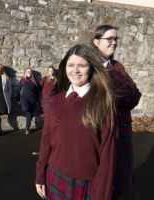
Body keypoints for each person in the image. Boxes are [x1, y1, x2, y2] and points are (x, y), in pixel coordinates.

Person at [35, 44, 118, 200]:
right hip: (53, 177)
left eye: (82, 65)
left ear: (91, 68)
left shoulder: (102, 103)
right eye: (71, 65)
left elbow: (108, 156)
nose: (75, 70)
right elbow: (46, 141)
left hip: (86, 185)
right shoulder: (57, 100)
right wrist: (40, 173)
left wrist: (101, 195)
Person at [91, 25, 142, 199]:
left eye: (116, 39)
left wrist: (119, 91)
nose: (114, 43)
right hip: (100, 127)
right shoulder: (91, 66)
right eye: (110, 39)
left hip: (123, 126)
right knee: (101, 175)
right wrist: (123, 90)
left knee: (122, 175)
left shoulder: (117, 65)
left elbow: (135, 95)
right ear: (96, 42)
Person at [17, 68, 39, 134]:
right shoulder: (22, 80)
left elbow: (37, 92)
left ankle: (27, 128)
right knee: (26, 109)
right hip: (24, 98)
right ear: (25, 73)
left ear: (32, 73)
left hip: (32, 99)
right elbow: (18, 90)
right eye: (28, 71)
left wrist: (37, 100)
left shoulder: (34, 81)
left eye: (30, 71)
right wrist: (18, 99)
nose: (29, 72)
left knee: (29, 114)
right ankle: (25, 110)